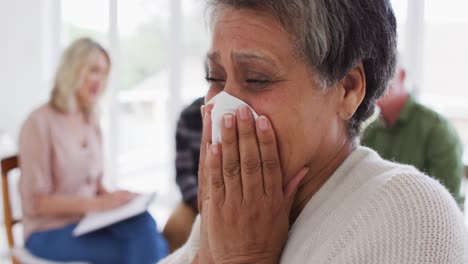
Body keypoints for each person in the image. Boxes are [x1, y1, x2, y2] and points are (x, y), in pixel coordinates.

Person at [161, 0, 468, 263]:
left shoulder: (412, 212)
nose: (220, 107)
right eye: (214, 77)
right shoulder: (240, 205)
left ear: (348, 89)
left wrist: (245, 257)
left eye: (256, 79)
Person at [18, 37, 168, 264]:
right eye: (93, 71)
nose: (100, 81)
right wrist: (98, 205)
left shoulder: (90, 120)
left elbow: (95, 185)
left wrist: (117, 199)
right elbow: (36, 203)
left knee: (144, 223)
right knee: (147, 246)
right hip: (46, 231)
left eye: (104, 73)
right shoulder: (38, 123)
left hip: (86, 220)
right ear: (73, 70)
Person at [361, 61, 465, 208]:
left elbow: (450, 203)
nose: (377, 79)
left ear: (402, 75)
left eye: (385, 71)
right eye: (369, 75)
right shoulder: (370, 132)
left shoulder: (437, 129)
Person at [175, 97, 204, 213]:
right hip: (199, 200)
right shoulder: (190, 115)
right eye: (213, 79)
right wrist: (202, 205)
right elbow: (183, 174)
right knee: (173, 228)